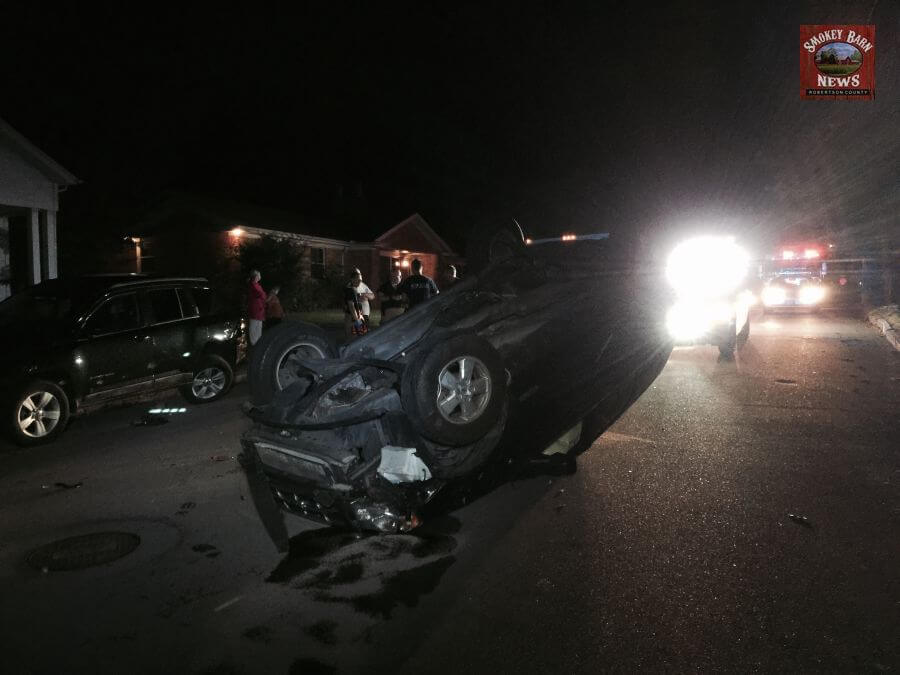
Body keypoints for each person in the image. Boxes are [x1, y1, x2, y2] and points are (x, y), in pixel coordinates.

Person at [344, 268, 375, 339]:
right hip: (352, 317)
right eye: (358, 280)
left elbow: (372, 296)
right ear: (352, 279)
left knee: (362, 336)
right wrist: (357, 319)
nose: (359, 281)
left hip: (359, 315)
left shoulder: (356, 288)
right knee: (353, 337)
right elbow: (351, 306)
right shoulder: (350, 290)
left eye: (360, 280)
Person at [247, 270, 266, 346]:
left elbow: (263, 295)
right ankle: (254, 344)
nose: (260, 276)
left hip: (259, 310)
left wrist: (263, 295)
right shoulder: (252, 285)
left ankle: (258, 343)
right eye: (259, 275)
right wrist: (262, 294)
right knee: (254, 327)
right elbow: (261, 294)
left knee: (258, 327)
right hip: (255, 310)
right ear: (256, 276)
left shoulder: (257, 285)